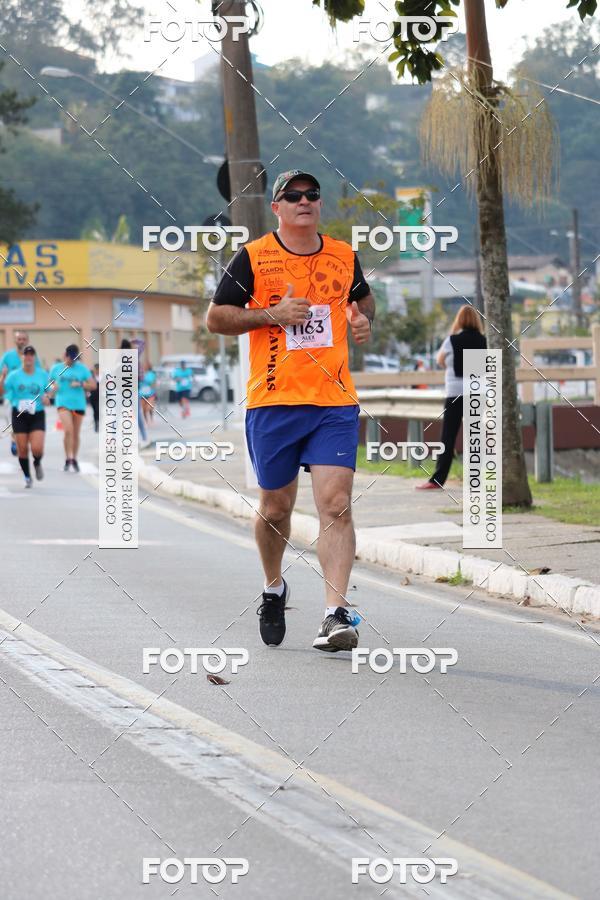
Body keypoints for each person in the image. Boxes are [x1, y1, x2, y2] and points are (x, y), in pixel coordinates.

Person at [207, 169, 374, 652]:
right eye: (293, 195)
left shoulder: (343, 255)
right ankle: (273, 586)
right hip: (274, 401)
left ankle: (335, 613)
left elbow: (363, 301)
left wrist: (362, 320)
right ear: (276, 207)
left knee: (336, 504)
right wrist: (271, 315)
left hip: (333, 402)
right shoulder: (254, 257)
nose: (304, 201)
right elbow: (216, 318)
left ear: (319, 204)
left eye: (312, 194)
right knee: (276, 507)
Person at [416, 304, 487, 490]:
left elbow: (440, 360)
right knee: (475, 437)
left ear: (459, 320)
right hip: (476, 393)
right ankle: (476, 480)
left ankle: (437, 480)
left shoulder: (452, 340)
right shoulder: (484, 341)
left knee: (448, 437)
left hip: (455, 393)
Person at [3, 345, 51, 488]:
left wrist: (48, 397)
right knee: (22, 449)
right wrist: (2, 377)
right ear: (22, 357)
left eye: (31, 354)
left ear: (34, 357)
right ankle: (27, 476)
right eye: (26, 354)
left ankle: (37, 462)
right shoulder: (14, 375)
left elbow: (50, 390)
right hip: (19, 415)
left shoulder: (42, 374)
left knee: (37, 448)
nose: (29, 357)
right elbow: (2, 391)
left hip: (37, 414)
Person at [48, 344, 95, 472]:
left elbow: (93, 385)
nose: (72, 361)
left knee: (75, 433)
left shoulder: (82, 369)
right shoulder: (56, 368)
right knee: (68, 430)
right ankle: (67, 457)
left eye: (74, 359)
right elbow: (48, 382)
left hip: (78, 404)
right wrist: (53, 387)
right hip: (63, 403)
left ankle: (73, 458)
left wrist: (80, 383)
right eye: (70, 358)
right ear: (65, 355)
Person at [0, 329, 38, 457]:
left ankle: (18, 441)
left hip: (28, 396)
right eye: (19, 339)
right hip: (10, 396)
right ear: (15, 341)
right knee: (13, 421)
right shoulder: (7, 356)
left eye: (24, 339)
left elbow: (39, 373)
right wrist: (3, 376)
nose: (21, 341)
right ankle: (14, 441)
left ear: (27, 341)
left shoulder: (33, 357)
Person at [88, 363, 100, 432]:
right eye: (96, 369)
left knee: (98, 409)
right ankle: (96, 423)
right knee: (95, 410)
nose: (97, 371)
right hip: (93, 396)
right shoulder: (91, 377)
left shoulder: (102, 376)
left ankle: (98, 422)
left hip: (101, 396)